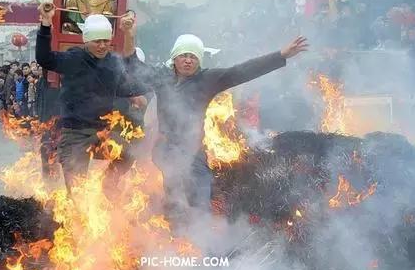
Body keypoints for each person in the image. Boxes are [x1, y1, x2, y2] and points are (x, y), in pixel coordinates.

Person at [121, 15, 309, 218]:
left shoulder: (208, 79)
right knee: (174, 194)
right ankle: (175, 233)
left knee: (201, 196)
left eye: (193, 56)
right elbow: (135, 68)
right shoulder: (162, 77)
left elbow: (242, 71)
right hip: (167, 150)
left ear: (199, 60)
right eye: (183, 55)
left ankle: (198, 238)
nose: (188, 60)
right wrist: (129, 36)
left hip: (194, 151)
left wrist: (281, 55)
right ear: (174, 58)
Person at [36, 4, 147, 193]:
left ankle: (108, 183)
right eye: (97, 41)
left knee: (129, 152)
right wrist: (46, 23)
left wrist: (129, 34)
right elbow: (45, 58)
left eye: (106, 40)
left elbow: (132, 78)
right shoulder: (74, 58)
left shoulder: (113, 62)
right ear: (86, 41)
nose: (102, 46)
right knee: (77, 191)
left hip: (102, 132)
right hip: (74, 135)